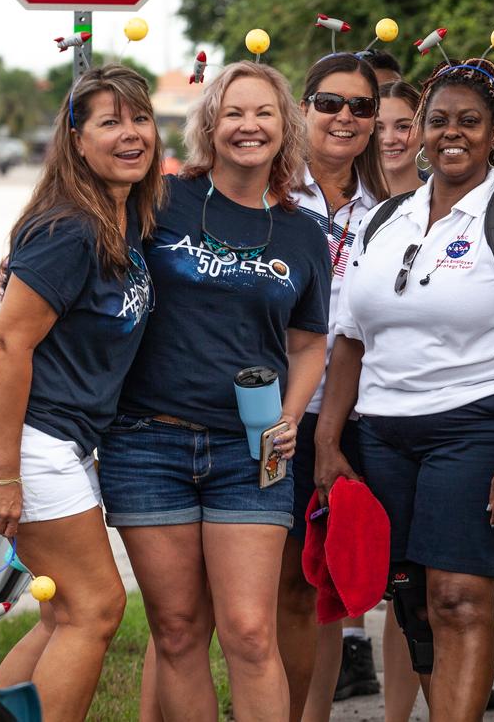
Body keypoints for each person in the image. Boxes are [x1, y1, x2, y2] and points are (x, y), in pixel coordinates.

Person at [315, 57, 494, 722]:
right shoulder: (384, 220)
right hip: (382, 434)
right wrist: (326, 438)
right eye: (439, 121)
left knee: (458, 596)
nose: (452, 134)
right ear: (421, 130)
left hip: (476, 427)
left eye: (470, 122)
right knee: (410, 599)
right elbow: (349, 341)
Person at [100, 61, 333, 722]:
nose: (247, 125)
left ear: (284, 127)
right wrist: (21, 262)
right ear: (210, 124)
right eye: (233, 112)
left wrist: (291, 416)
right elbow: (83, 243)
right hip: (146, 443)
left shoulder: (303, 233)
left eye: (262, 113)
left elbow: (309, 342)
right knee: (175, 630)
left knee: (250, 632)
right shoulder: (160, 201)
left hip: (249, 453)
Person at [0, 63, 164, 721]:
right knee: (94, 608)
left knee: (62, 612)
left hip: (54, 435)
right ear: (75, 140)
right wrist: (6, 472)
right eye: (109, 122)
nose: (129, 133)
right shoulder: (69, 227)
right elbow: (10, 342)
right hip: (22, 432)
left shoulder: (120, 215)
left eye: (140, 118)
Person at [271, 51, 391, 722]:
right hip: (275, 412)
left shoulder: (393, 209)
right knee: (279, 587)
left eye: (361, 106)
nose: (345, 116)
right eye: (329, 102)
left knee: (327, 586)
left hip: (356, 416)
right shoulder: (267, 192)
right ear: (303, 109)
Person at [378, 80, 427, 196]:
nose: (389, 140)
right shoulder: (344, 206)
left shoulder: (445, 206)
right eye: (378, 128)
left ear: (425, 131)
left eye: (402, 127)